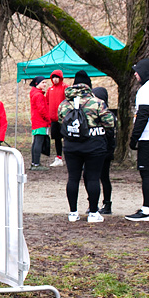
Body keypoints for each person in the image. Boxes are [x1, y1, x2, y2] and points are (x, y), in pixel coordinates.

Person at [58, 70, 115, 223]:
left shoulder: (64, 104)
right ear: (88, 86)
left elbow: (60, 121)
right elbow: (110, 122)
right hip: (94, 146)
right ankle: (93, 213)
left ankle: (73, 213)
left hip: (71, 146)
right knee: (93, 178)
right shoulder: (97, 103)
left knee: (73, 178)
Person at [126, 58, 149, 221]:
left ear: (144, 71)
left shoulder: (147, 89)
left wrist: (134, 139)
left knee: (146, 172)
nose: (136, 74)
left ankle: (146, 210)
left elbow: (143, 115)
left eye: (137, 71)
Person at [92, 86, 116, 215]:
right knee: (94, 177)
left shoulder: (107, 115)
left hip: (104, 151)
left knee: (104, 178)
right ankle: (93, 203)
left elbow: (110, 135)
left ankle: (107, 203)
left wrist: (109, 151)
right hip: (95, 150)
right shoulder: (92, 112)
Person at [46, 70, 68, 167]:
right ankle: (59, 157)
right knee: (57, 139)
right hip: (53, 119)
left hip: (64, 118)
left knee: (67, 138)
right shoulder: (50, 89)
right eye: (53, 77)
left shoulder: (65, 87)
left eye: (57, 77)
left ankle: (68, 156)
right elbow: (47, 102)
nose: (55, 79)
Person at [29, 76, 51, 170]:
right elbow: (42, 109)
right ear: (37, 84)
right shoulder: (39, 95)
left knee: (36, 142)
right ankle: (36, 163)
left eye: (45, 82)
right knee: (39, 142)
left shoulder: (35, 94)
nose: (45, 84)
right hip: (40, 122)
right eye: (43, 82)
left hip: (36, 121)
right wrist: (48, 119)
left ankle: (34, 162)